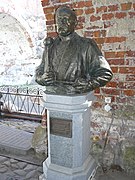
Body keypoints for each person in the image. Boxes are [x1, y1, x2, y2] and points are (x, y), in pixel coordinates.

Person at [35, 6, 113, 95]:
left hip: (74, 97)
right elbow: (40, 70)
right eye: (59, 19)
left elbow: (105, 73)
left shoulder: (86, 45)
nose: (61, 22)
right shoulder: (50, 46)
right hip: (52, 95)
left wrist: (88, 85)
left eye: (65, 19)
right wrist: (42, 78)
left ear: (75, 23)